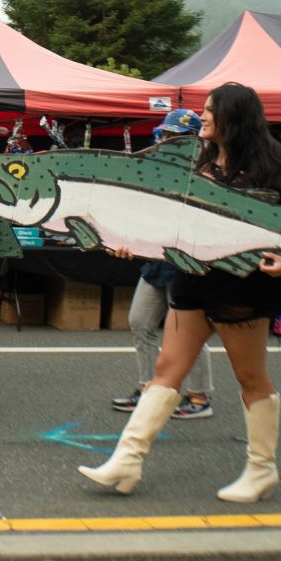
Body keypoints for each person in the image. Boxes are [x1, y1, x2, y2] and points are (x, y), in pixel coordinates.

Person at [80, 83, 281, 503]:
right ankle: (127, 459)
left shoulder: (279, 165)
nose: (201, 117)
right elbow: (168, 220)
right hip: (189, 280)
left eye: (209, 110)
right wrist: (130, 240)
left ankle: (262, 471)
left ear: (234, 117)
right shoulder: (196, 159)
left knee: (250, 377)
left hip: (244, 285)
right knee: (166, 369)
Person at [111, 109, 215, 420]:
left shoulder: (206, 173)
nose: (169, 141)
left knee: (189, 332)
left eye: (177, 137)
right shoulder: (154, 169)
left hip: (187, 263)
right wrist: (128, 241)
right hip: (156, 262)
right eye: (167, 135)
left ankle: (199, 397)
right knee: (140, 321)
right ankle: (148, 388)